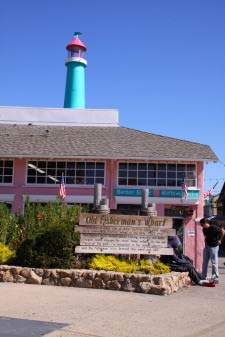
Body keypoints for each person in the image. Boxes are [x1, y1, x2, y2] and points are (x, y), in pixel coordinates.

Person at [200, 218, 225, 284]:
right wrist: (205, 244)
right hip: (207, 247)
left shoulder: (214, 227)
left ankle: (215, 278)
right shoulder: (204, 229)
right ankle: (203, 277)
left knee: (214, 262)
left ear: (205, 223)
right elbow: (206, 237)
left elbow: (223, 231)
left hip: (214, 246)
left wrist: (220, 240)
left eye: (202, 224)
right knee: (204, 262)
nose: (201, 226)